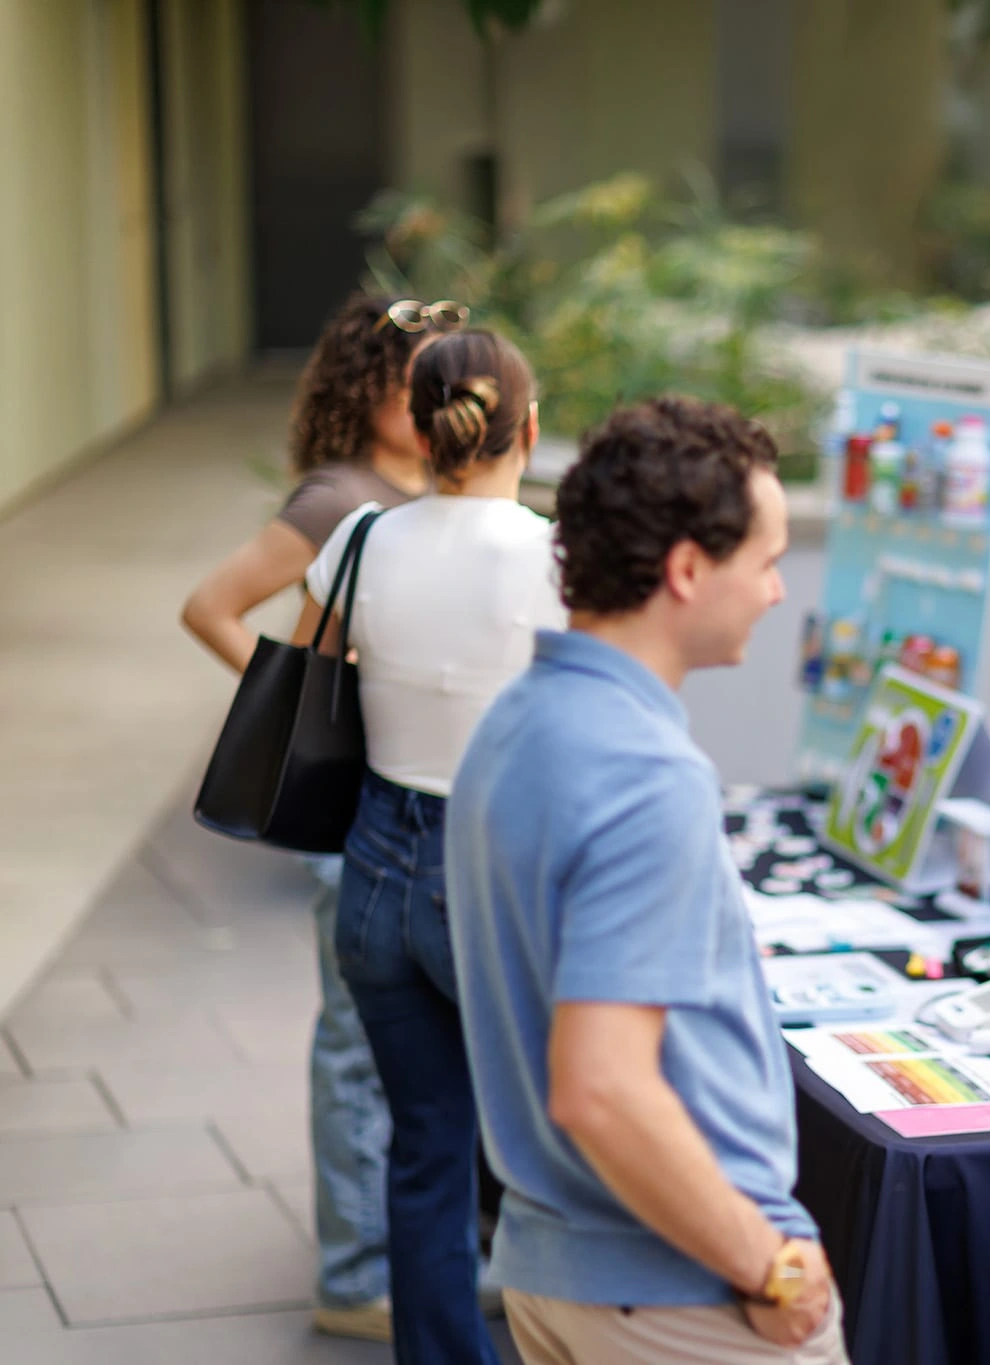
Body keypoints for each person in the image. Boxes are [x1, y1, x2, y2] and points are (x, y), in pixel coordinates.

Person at [445, 396, 846, 1364]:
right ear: (686, 570)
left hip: (561, 1270)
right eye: (765, 561)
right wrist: (770, 1268)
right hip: (681, 1295)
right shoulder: (642, 773)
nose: (776, 591)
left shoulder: (511, 727)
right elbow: (602, 1091)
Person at [181, 292, 455, 1342]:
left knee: (382, 1040)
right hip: (356, 807)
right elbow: (211, 607)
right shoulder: (340, 498)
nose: (433, 402)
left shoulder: (415, 491)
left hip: (400, 805)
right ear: (368, 391)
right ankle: (352, 1278)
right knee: (352, 1044)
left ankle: (383, 1253)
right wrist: (294, 714)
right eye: (413, 382)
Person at [295, 327, 565, 1364]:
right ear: (527, 429)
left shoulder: (359, 538)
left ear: (415, 424)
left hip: (372, 869)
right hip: (491, 875)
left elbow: (318, 667)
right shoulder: (552, 556)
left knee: (425, 1150)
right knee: (544, 1156)